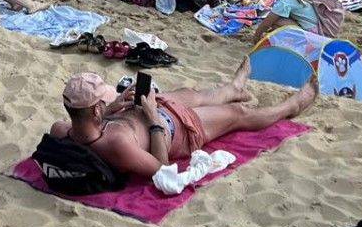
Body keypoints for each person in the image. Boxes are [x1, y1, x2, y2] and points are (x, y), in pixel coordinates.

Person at [52, 66, 316, 182]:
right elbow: (163, 169)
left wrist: (113, 107)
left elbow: (79, 123)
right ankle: (292, 106)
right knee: (238, 114)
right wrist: (154, 118)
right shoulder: (116, 144)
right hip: (173, 129)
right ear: (95, 109)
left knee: (192, 93)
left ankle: (234, 87)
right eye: (101, 101)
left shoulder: (64, 130)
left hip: (144, 115)